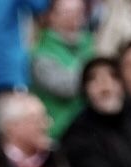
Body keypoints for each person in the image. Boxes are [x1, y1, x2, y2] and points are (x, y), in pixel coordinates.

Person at [32, 0, 95, 135]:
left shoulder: (90, 43)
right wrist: (92, 69)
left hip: (92, 127)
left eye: (79, 12)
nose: (74, 17)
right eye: (67, 12)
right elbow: (67, 88)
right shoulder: (41, 53)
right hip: (61, 130)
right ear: (51, 16)